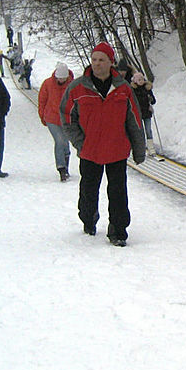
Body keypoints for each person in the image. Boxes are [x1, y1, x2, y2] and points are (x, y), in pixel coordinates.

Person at [60, 42, 146, 247]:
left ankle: (118, 230)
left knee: (118, 193)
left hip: (117, 149)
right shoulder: (77, 87)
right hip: (90, 151)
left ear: (110, 62)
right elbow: (66, 117)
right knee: (88, 191)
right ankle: (88, 219)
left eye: (101, 60)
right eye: (94, 59)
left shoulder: (123, 88)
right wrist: (81, 143)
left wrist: (138, 149)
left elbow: (134, 119)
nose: (97, 64)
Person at [38, 62, 74, 181]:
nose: (61, 80)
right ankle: (61, 168)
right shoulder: (48, 84)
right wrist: (42, 115)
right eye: (59, 78)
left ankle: (66, 164)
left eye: (63, 78)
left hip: (67, 119)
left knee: (65, 142)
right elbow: (42, 100)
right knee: (59, 140)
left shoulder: (72, 85)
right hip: (51, 118)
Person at [130, 72, 156, 147]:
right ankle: (141, 147)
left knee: (148, 130)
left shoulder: (147, 88)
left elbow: (153, 101)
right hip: (137, 113)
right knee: (140, 131)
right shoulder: (133, 90)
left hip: (147, 112)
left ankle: (151, 147)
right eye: (139, 80)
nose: (141, 81)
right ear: (135, 81)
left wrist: (151, 99)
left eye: (142, 79)